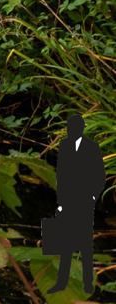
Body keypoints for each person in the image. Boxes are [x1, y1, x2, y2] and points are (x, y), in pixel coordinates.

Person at [41, 113, 104, 293]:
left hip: (84, 201)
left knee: (85, 244)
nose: (71, 131)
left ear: (81, 128)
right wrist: (60, 202)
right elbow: (61, 176)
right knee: (65, 243)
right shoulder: (65, 146)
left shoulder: (91, 148)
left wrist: (92, 197)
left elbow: (99, 175)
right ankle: (61, 282)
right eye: (69, 128)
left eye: (74, 128)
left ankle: (87, 283)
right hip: (66, 201)